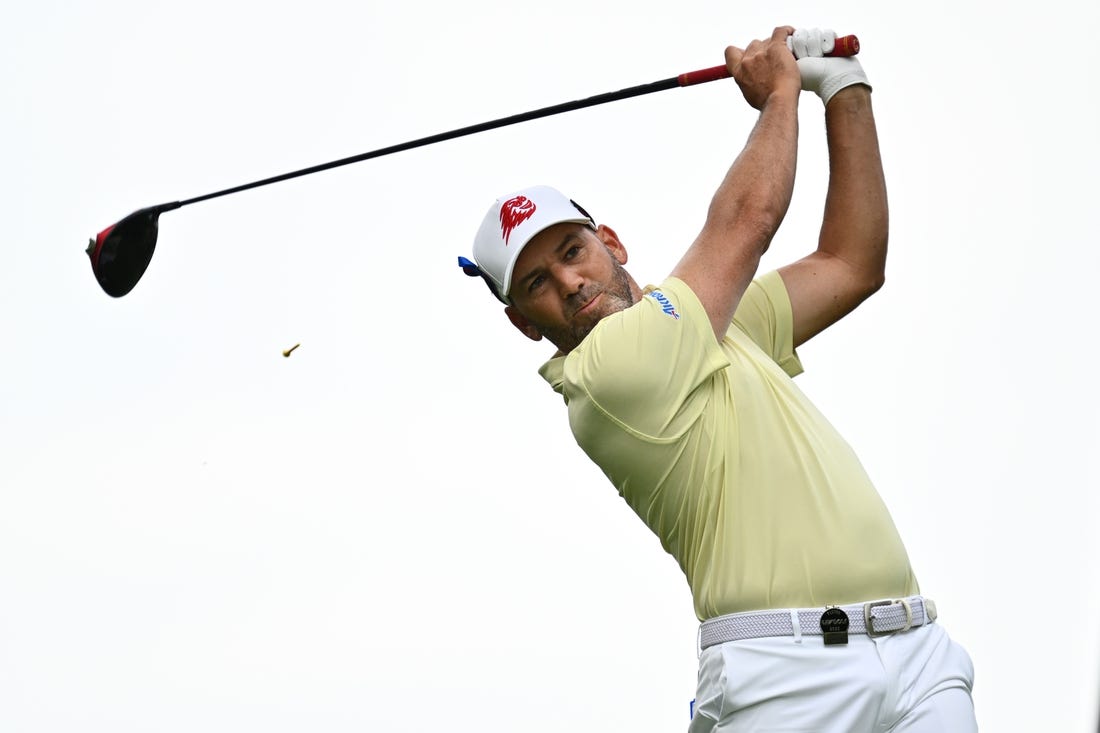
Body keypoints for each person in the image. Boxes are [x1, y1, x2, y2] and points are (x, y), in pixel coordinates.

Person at [460, 26, 976, 732]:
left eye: (572, 250)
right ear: (525, 323)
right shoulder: (607, 373)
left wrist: (845, 89)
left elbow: (853, 262)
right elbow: (746, 221)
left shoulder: (720, 323)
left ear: (610, 243)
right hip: (782, 678)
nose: (571, 281)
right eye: (539, 283)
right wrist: (780, 96)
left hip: (918, 654)